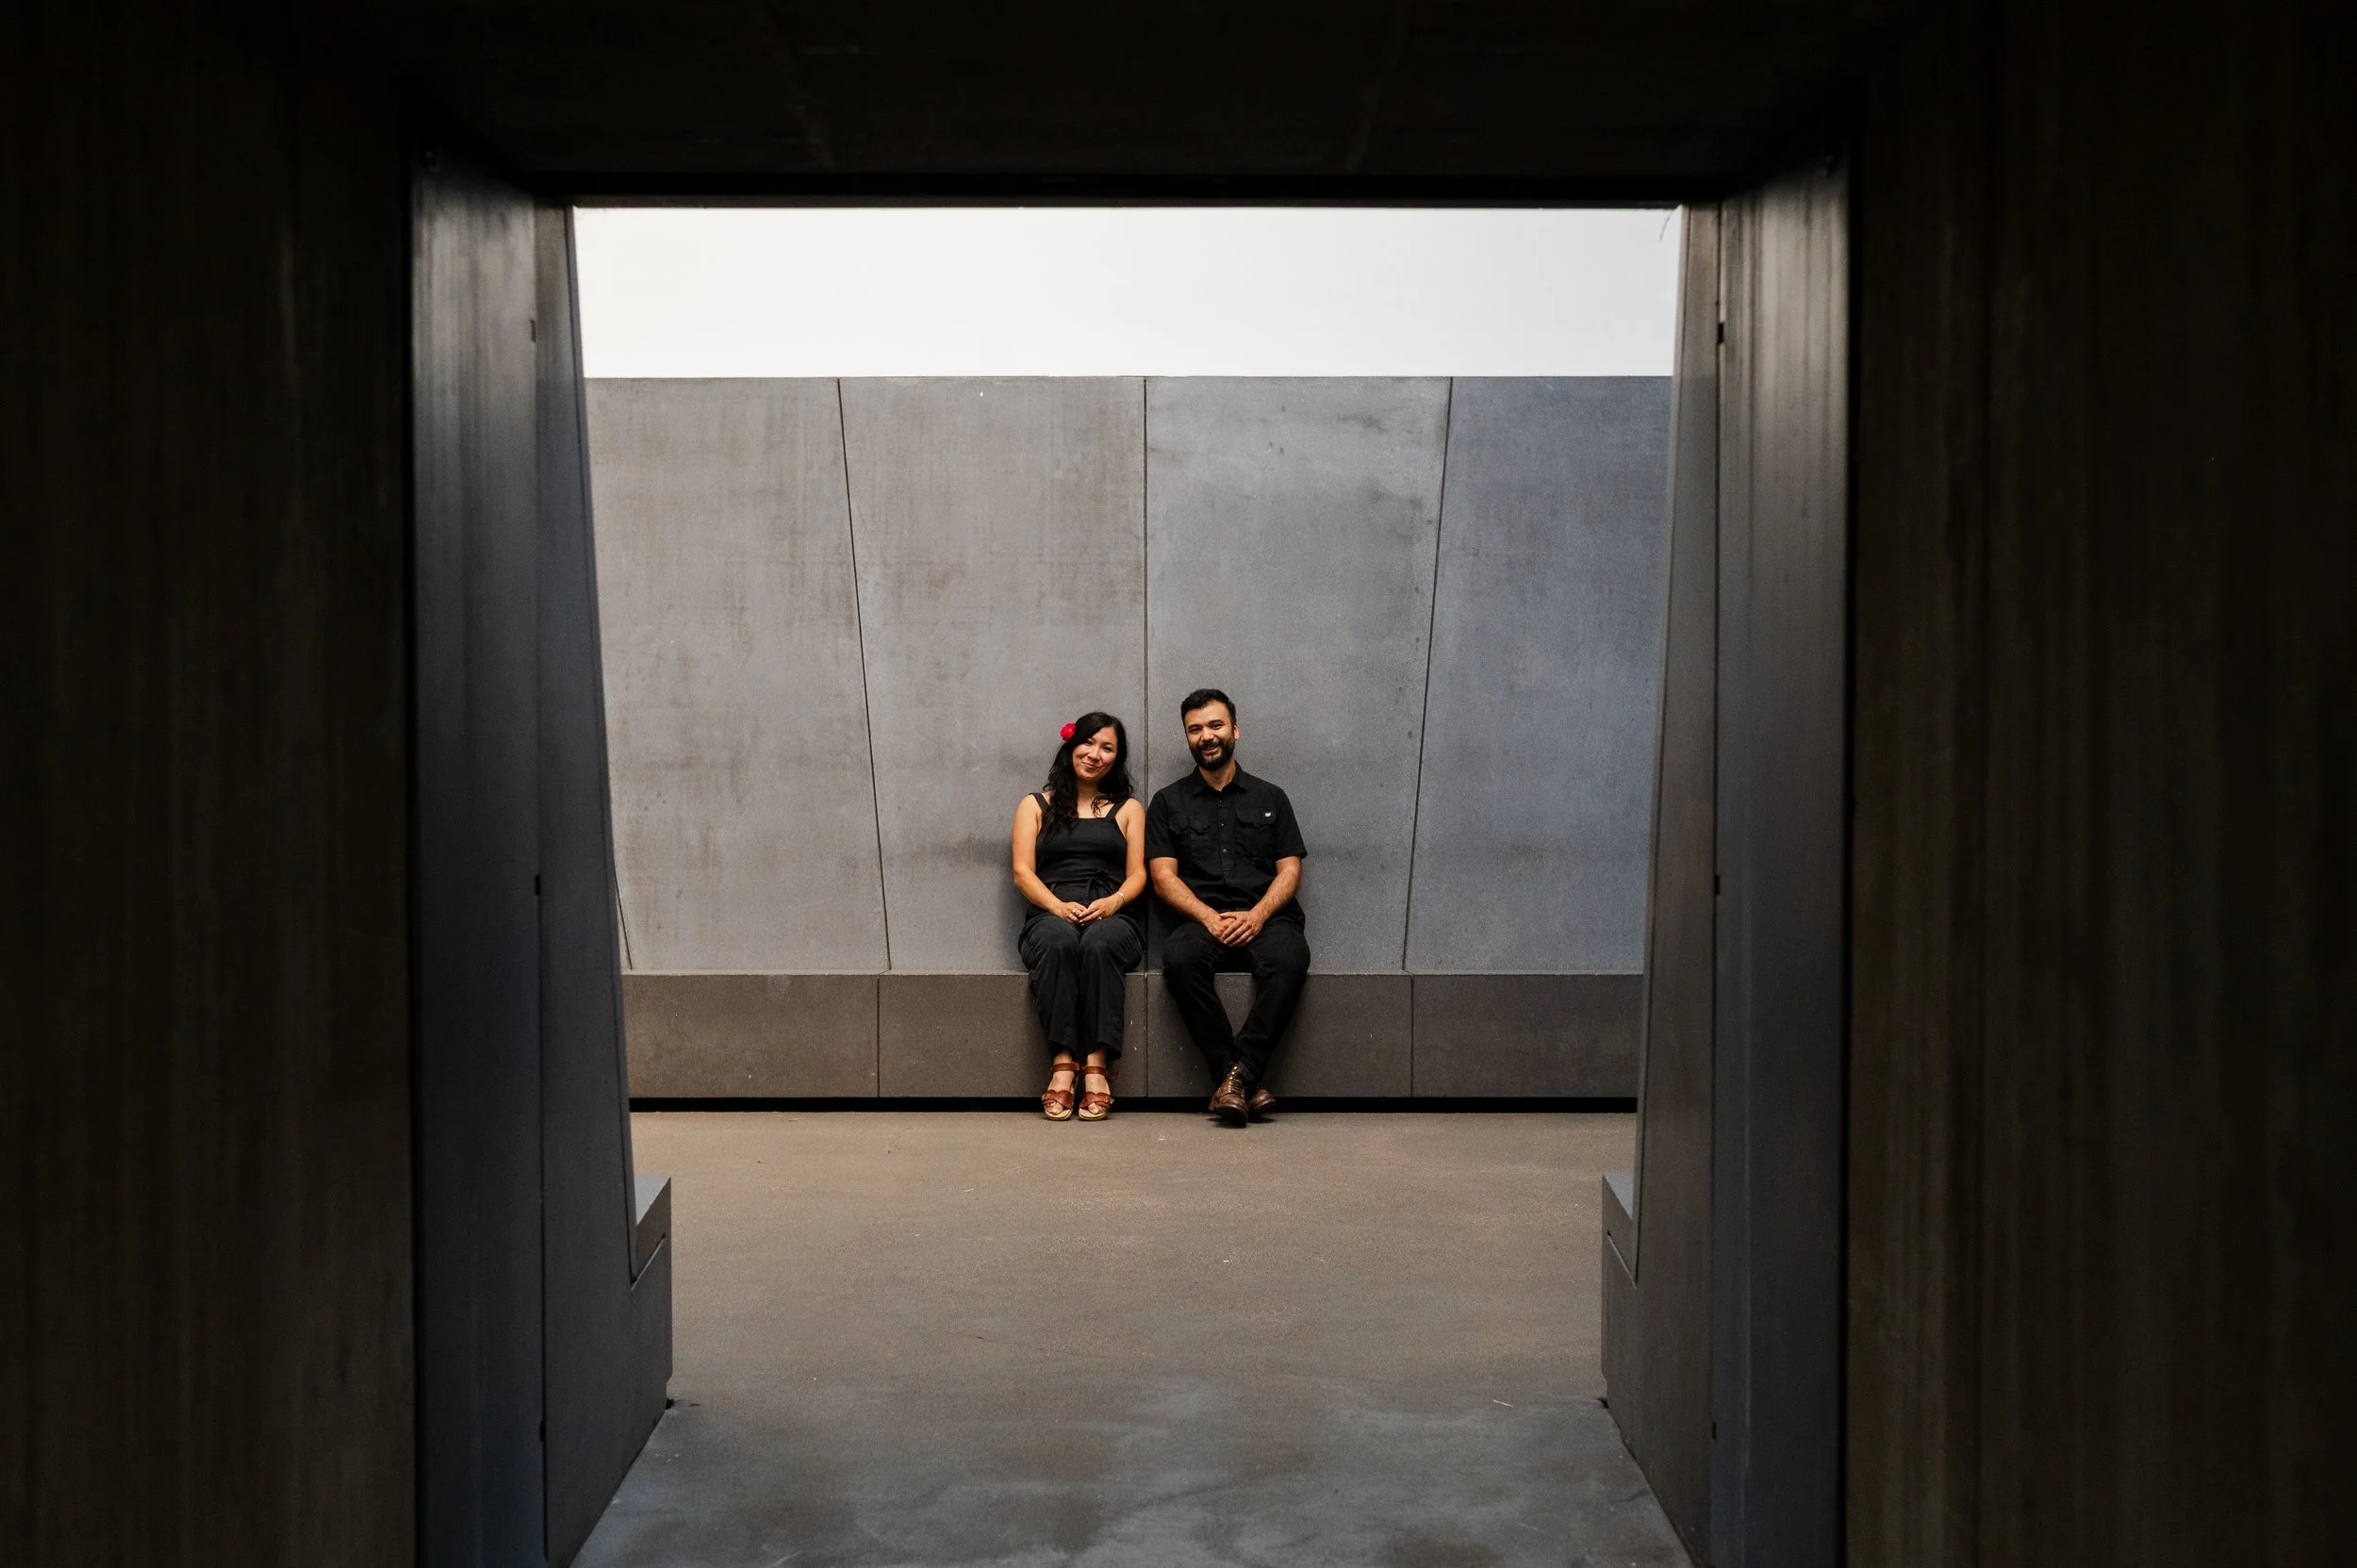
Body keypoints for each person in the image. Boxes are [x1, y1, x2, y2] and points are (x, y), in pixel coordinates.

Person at [1146, 688, 1310, 1128]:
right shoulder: (1167, 802)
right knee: (1179, 960)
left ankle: (1235, 1076)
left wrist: (1257, 915)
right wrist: (1207, 916)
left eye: (1215, 725)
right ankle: (1240, 1079)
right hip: (1203, 919)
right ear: (1187, 737)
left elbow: (1290, 870)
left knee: (1291, 959)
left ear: (1235, 730)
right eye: (1195, 729)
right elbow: (1162, 877)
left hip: (1267, 917)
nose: (1206, 736)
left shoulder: (1272, 797)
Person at [1011, 711, 1147, 1121]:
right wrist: (1056, 907)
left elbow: (1139, 874)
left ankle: (1096, 1066)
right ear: (1071, 746)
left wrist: (1114, 902)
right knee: (1058, 941)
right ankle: (1063, 1064)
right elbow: (1022, 872)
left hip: (1113, 914)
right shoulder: (1035, 805)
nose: (1095, 754)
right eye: (1088, 743)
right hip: (1048, 914)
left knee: (1100, 943)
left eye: (1107, 748)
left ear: (1117, 758)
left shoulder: (1128, 809)